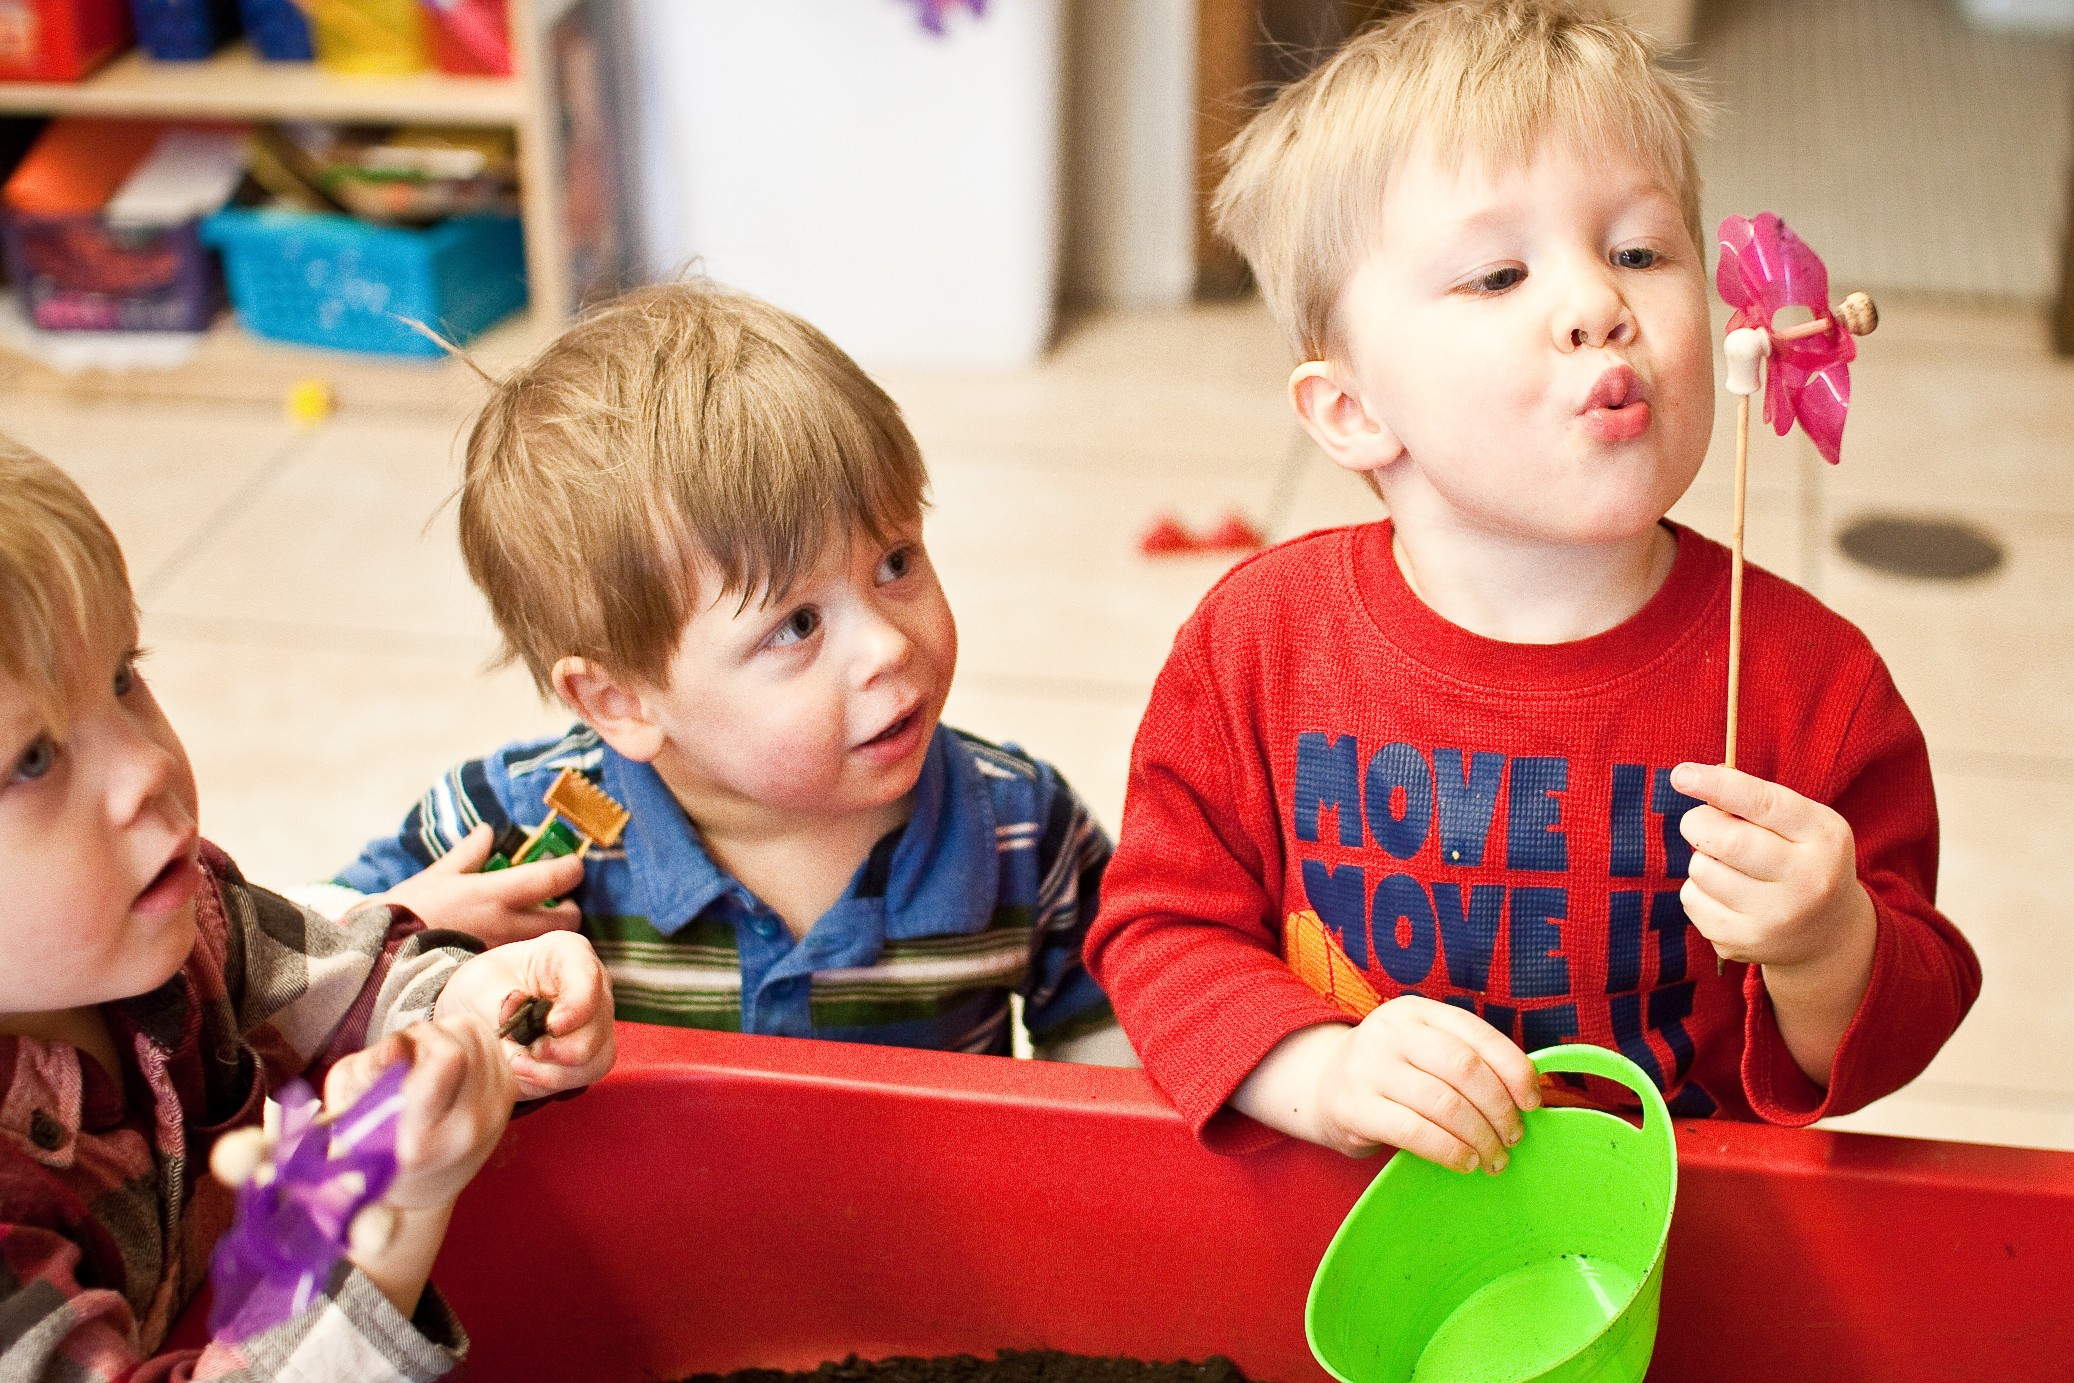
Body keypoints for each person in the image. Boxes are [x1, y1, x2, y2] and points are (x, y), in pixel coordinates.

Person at [1086, 0, 1978, 1165]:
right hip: (1359, 1227)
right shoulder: (1256, 644)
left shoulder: (1812, 683)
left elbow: (1902, 1023)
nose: (1598, 305)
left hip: (1675, 1249)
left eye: (1639, 252)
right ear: (1350, 412)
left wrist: (1828, 945)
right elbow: (1159, 928)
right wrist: (1319, 1072)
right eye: (1500, 273)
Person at [334, 281, 1129, 1063]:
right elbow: (298, 975)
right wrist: (404, 930)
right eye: (799, 624)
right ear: (620, 701)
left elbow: (1121, 1054)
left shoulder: (1025, 829)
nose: (888, 645)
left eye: (895, 561)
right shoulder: (516, 832)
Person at [0, 439, 617, 1379]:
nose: (149, 765)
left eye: (124, 675)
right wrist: (390, 1211)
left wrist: (472, 1006)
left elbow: (341, 982)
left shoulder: (180, 922)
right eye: (34, 759)